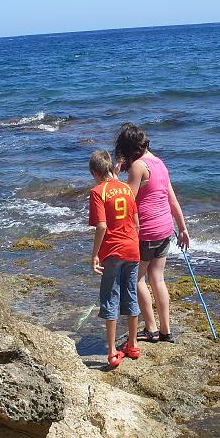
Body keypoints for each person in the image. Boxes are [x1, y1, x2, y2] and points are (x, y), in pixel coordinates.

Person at [114, 123, 189, 343]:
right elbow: (172, 200)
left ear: (128, 149)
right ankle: (166, 331)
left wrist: (114, 179)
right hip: (165, 230)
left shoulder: (138, 166)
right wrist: (183, 229)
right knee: (158, 279)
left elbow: (125, 201)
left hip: (145, 232)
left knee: (137, 279)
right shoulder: (160, 164)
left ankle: (151, 329)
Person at [88, 149, 141, 368]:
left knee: (110, 297)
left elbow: (102, 225)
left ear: (94, 172)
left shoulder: (97, 192)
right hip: (132, 248)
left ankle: (111, 351)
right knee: (131, 294)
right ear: (110, 168)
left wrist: (94, 255)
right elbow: (136, 221)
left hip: (112, 251)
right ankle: (133, 343)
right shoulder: (127, 189)